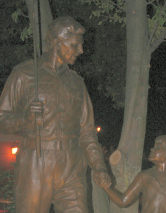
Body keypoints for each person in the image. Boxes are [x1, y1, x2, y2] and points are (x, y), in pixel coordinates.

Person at [0, 16, 110, 213]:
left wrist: (99, 166)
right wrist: (25, 121)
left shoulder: (77, 82)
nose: (81, 51)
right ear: (56, 42)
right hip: (36, 161)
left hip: (72, 165)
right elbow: (2, 119)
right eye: (74, 45)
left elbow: (87, 131)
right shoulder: (24, 75)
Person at [94, 135, 166, 213]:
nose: (152, 149)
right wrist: (107, 188)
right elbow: (123, 201)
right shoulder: (144, 176)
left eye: (158, 147)